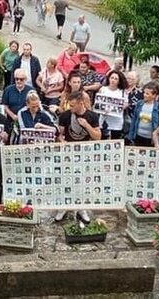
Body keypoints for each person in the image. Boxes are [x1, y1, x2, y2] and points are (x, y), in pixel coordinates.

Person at [53, 91, 100, 222]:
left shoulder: (92, 116)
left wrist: (86, 125)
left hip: (85, 155)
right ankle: (63, 207)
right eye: (70, 105)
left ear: (81, 103)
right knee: (65, 180)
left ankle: (81, 208)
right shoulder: (66, 115)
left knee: (81, 182)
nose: (71, 108)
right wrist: (62, 142)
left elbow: (98, 137)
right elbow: (59, 134)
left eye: (73, 105)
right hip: (68, 154)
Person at [127, 82, 159, 147]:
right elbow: (134, 120)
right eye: (144, 93)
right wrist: (131, 136)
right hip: (138, 136)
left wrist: (157, 139)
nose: (144, 95)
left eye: (147, 94)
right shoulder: (139, 104)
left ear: (154, 95)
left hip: (151, 139)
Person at [97, 70, 127, 139]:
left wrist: (122, 107)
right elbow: (98, 103)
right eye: (112, 78)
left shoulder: (122, 91)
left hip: (116, 122)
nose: (113, 80)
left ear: (119, 81)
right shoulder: (103, 89)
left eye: (116, 79)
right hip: (104, 120)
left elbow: (126, 103)